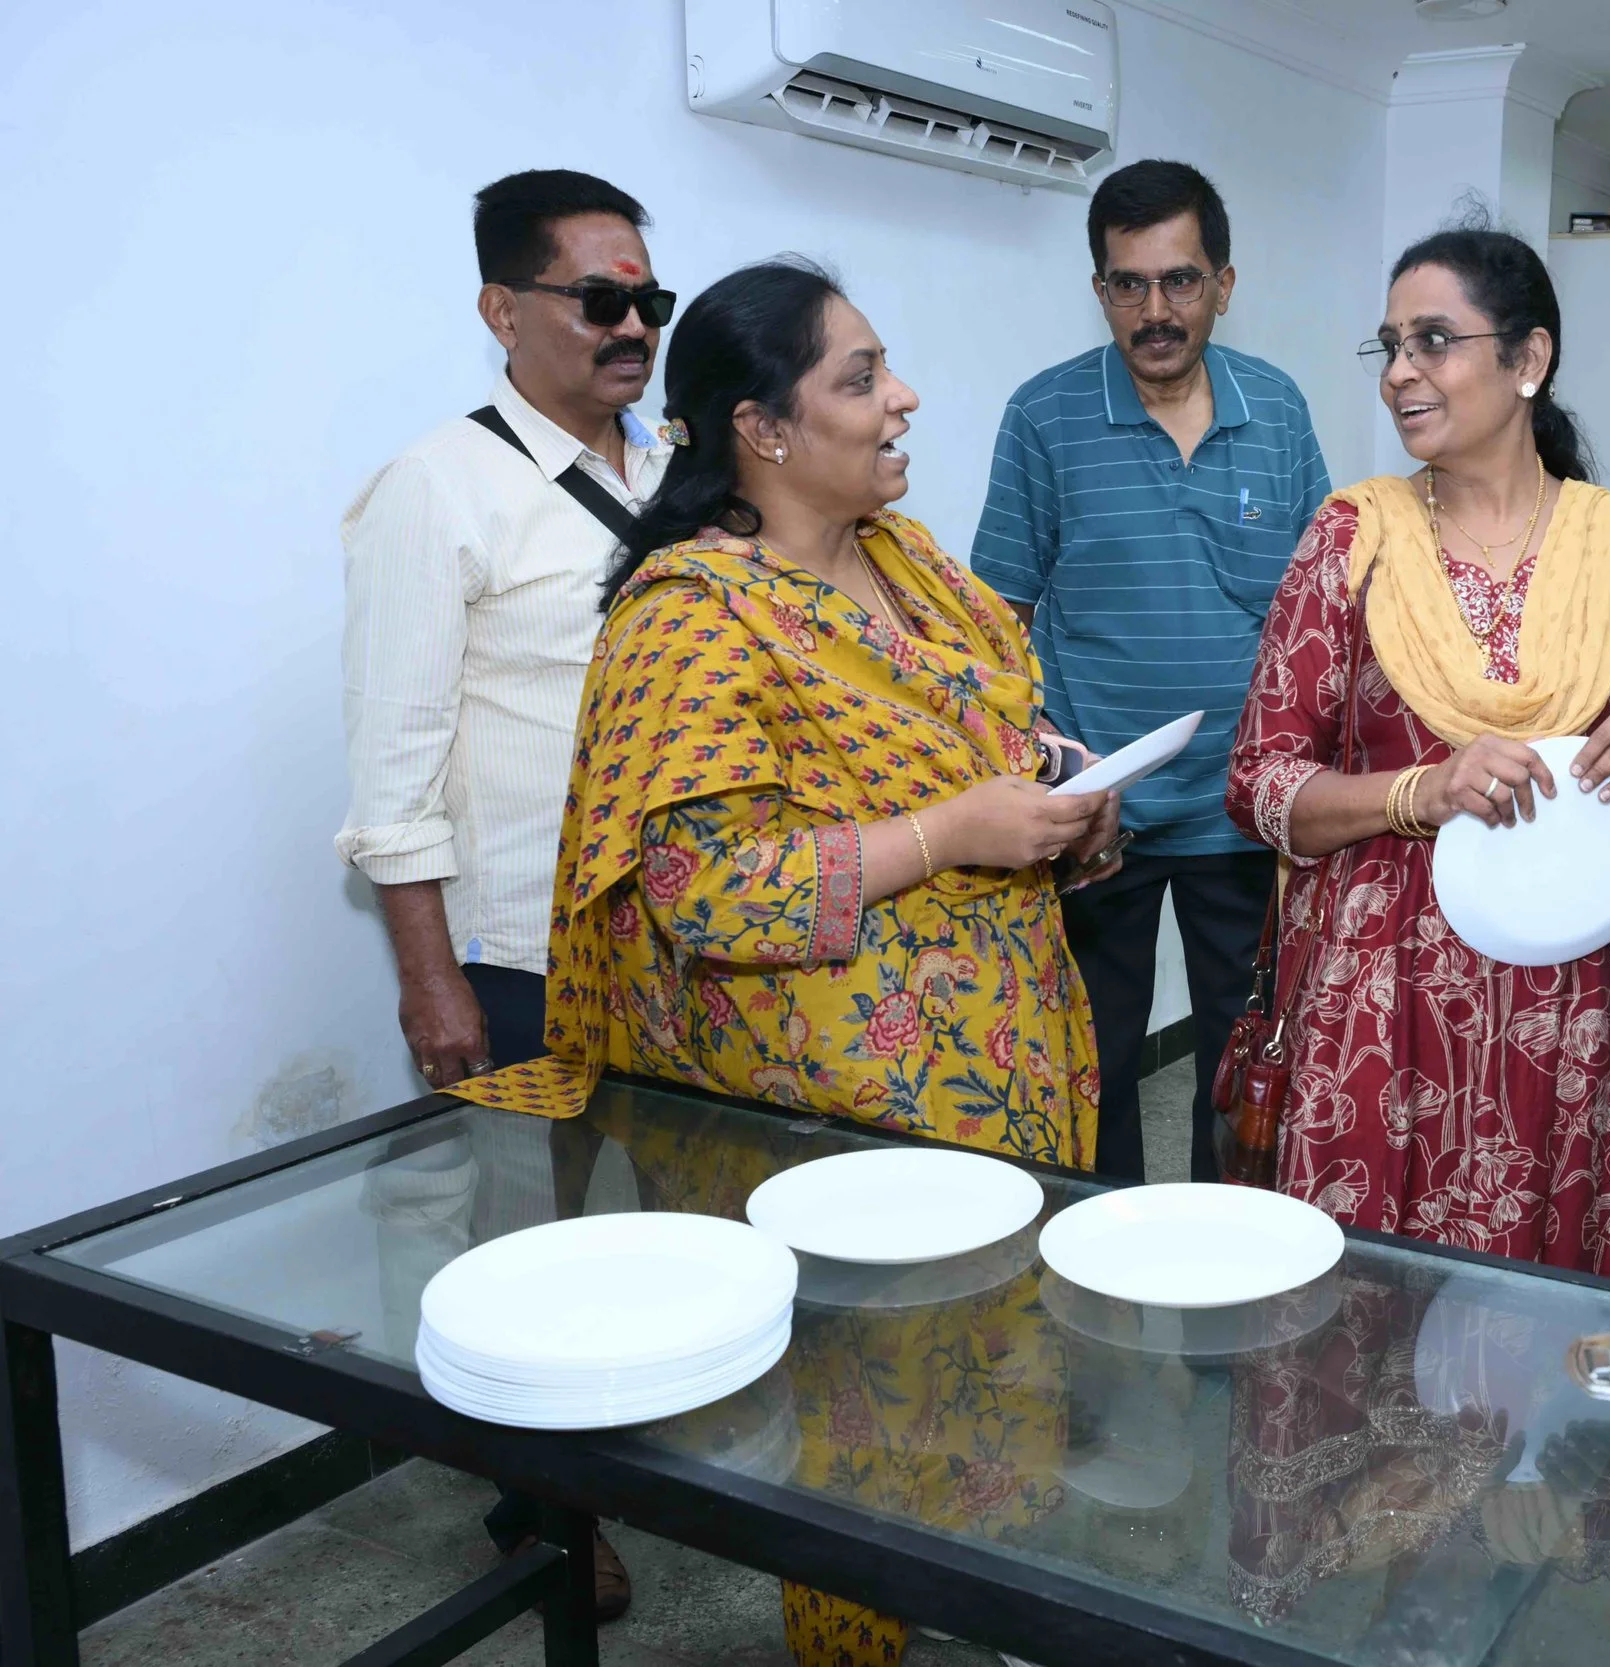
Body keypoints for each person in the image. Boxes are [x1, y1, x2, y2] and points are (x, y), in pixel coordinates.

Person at [451, 257, 1118, 1666]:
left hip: (1004, 1083)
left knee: (999, 1371)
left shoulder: (910, 563)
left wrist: (1059, 803)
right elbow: (705, 889)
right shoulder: (690, 615)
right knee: (863, 1430)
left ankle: (981, 1599)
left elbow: (995, 742)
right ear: (760, 426)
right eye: (861, 377)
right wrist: (951, 832)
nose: (903, 397)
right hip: (840, 1131)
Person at [1226, 227, 1610, 1281]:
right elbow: (1259, 783)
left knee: (1537, 1295)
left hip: (1560, 992)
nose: (1400, 371)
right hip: (1378, 986)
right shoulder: (1352, 539)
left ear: (1528, 358)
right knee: (1365, 1295)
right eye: (1391, 345)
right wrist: (1420, 790)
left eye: (1434, 341)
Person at [334, 166, 673, 1619]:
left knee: (663, 1222)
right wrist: (432, 981)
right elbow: (393, 770)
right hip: (523, 950)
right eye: (599, 299)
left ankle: (656, 1457)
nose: (632, 327)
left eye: (648, 301)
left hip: (676, 943)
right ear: (502, 308)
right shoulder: (439, 488)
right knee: (534, 1241)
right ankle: (543, 1514)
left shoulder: (675, 476)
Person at [972, 160, 1332, 1184]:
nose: (1155, 311)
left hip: (1240, 804)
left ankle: (1227, 1251)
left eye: (1179, 281)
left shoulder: (1277, 407)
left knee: (1244, 1064)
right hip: (1097, 816)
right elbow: (995, 623)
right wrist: (1044, 764)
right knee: (1092, 1063)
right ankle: (1096, 1246)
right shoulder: (1045, 416)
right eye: (1128, 284)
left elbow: (1318, 608)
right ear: (1100, 289)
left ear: (1223, 283)